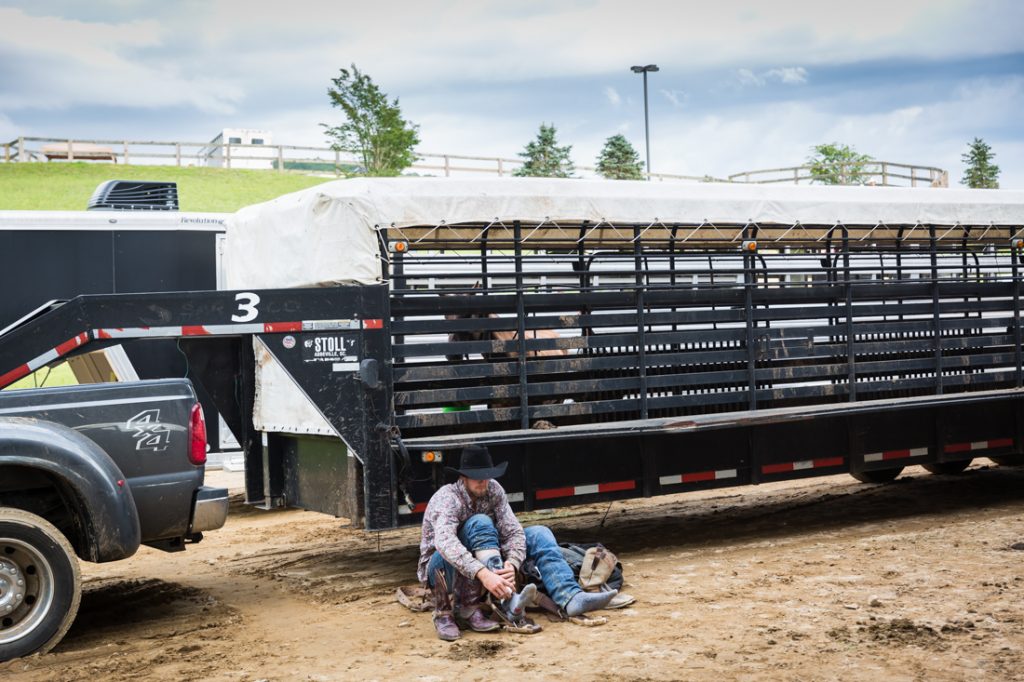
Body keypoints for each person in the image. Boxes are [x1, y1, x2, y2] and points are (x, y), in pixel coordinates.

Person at [418, 444, 617, 641]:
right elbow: (445, 543)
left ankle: (571, 597)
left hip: (487, 563)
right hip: (442, 570)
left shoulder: (494, 490)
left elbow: (514, 531)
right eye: (478, 478)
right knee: (480, 522)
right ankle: (507, 599)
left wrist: (512, 563)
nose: (483, 482)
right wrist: (483, 573)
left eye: (487, 476)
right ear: (463, 478)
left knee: (540, 533)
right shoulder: (448, 498)